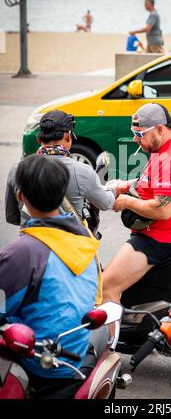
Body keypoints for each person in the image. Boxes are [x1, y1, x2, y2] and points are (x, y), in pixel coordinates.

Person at [0, 155, 101, 398]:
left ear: (21, 197)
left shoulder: (24, 252)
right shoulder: (85, 241)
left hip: (39, 363)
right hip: (73, 353)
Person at [102, 103, 171, 304]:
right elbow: (159, 184)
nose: (135, 139)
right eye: (134, 132)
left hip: (159, 239)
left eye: (140, 134)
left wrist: (126, 201)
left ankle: (110, 337)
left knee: (105, 288)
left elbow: (163, 210)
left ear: (159, 129)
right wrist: (125, 184)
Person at [5, 110, 116, 228]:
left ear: (39, 139)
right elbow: (105, 203)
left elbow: (12, 216)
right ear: (68, 136)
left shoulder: (17, 169)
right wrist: (113, 190)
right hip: (69, 244)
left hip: (30, 241)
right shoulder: (82, 170)